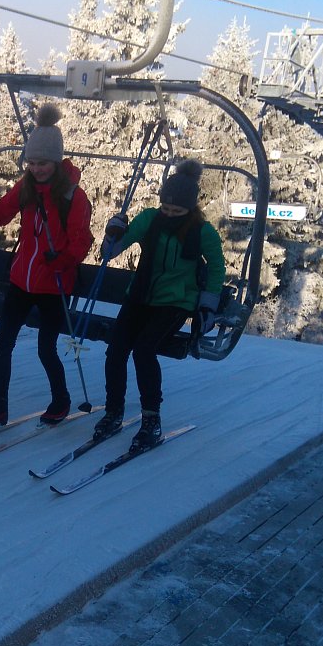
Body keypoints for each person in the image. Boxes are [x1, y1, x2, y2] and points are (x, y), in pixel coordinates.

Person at [0, 104, 93, 432]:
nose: (36, 169)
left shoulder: (73, 197)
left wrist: (64, 260)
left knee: (45, 348)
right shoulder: (26, 187)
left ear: (56, 162)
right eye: (32, 163)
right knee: (2, 344)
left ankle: (61, 400)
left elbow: (82, 240)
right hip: (21, 279)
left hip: (54, 283)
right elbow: (3, 210)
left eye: (43, 163)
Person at [91, 159, 225, 452]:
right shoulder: (150, 219)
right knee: (116, 349)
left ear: (190, 208)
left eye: (177, 211)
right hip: (140, 295)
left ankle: (151, 419)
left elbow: (216, 267)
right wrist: (113, 233)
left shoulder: (202, 231)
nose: (170, 214)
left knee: (143, 350)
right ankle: (113, 411)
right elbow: (111, 252)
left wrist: (207, 306)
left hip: (176, 301)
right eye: (166, 208)